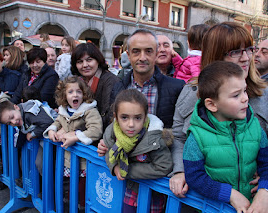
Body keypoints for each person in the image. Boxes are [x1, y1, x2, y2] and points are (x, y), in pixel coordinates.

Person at [170, 22, 267, 200]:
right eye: (235, 52)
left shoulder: (264, 94)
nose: (245, 58)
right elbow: (178, 137)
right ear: (214, 55)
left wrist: (266, 185)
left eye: (248, 49)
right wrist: (181, 170)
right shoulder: (191, 92)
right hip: (203, 199)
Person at [183, 61, 268, 212]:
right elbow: (194, 177)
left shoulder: (255, 128)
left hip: (253, 206)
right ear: (212, 104)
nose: (245, 99)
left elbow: (266, 164)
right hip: (213, 208)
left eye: (244, 91)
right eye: (236, 95)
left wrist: (264, 190)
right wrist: (229, 194)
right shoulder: (197, 137)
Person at [104, 89, 172, 213]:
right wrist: (114, 166)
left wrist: (126, 170)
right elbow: (109, 151)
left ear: (145, 117)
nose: (131, 124)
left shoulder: (154, 139)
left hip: (152, 194)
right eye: (124, 117)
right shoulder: (113, 134)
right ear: (116, 117)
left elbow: (163, 166)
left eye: (137, 118)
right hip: (129, 191)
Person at [43, 76, 103, 209]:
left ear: (84, 94)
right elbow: (58, 121)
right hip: (67, 159)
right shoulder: (64, 110)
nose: (75, 95)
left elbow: (96, 129)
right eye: (70, 92)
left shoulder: (89, 110)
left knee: (82, 186)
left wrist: (76, 135)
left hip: (82, 162)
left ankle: (81, 206)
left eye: (79, 92)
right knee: (71, 184)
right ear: (64, 95)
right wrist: (52, 130)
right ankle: (71, 203)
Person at [0, 100, 55, 175]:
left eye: (12, 117)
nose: (14, 122)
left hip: (56, 137)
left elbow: (49, 122)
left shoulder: (29, 112)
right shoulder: (20, 116)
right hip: (47, 139)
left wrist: (32, 134)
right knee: (27, 162)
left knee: (40, 164)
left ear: (16, 107)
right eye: (9, 123)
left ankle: (49, 185)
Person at [71, 42, 120, 130]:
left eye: (89, 60)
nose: (85, 65)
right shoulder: (77, 82)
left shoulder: (110, 81)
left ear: (98, 60)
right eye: (80, 62)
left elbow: (109, 117)